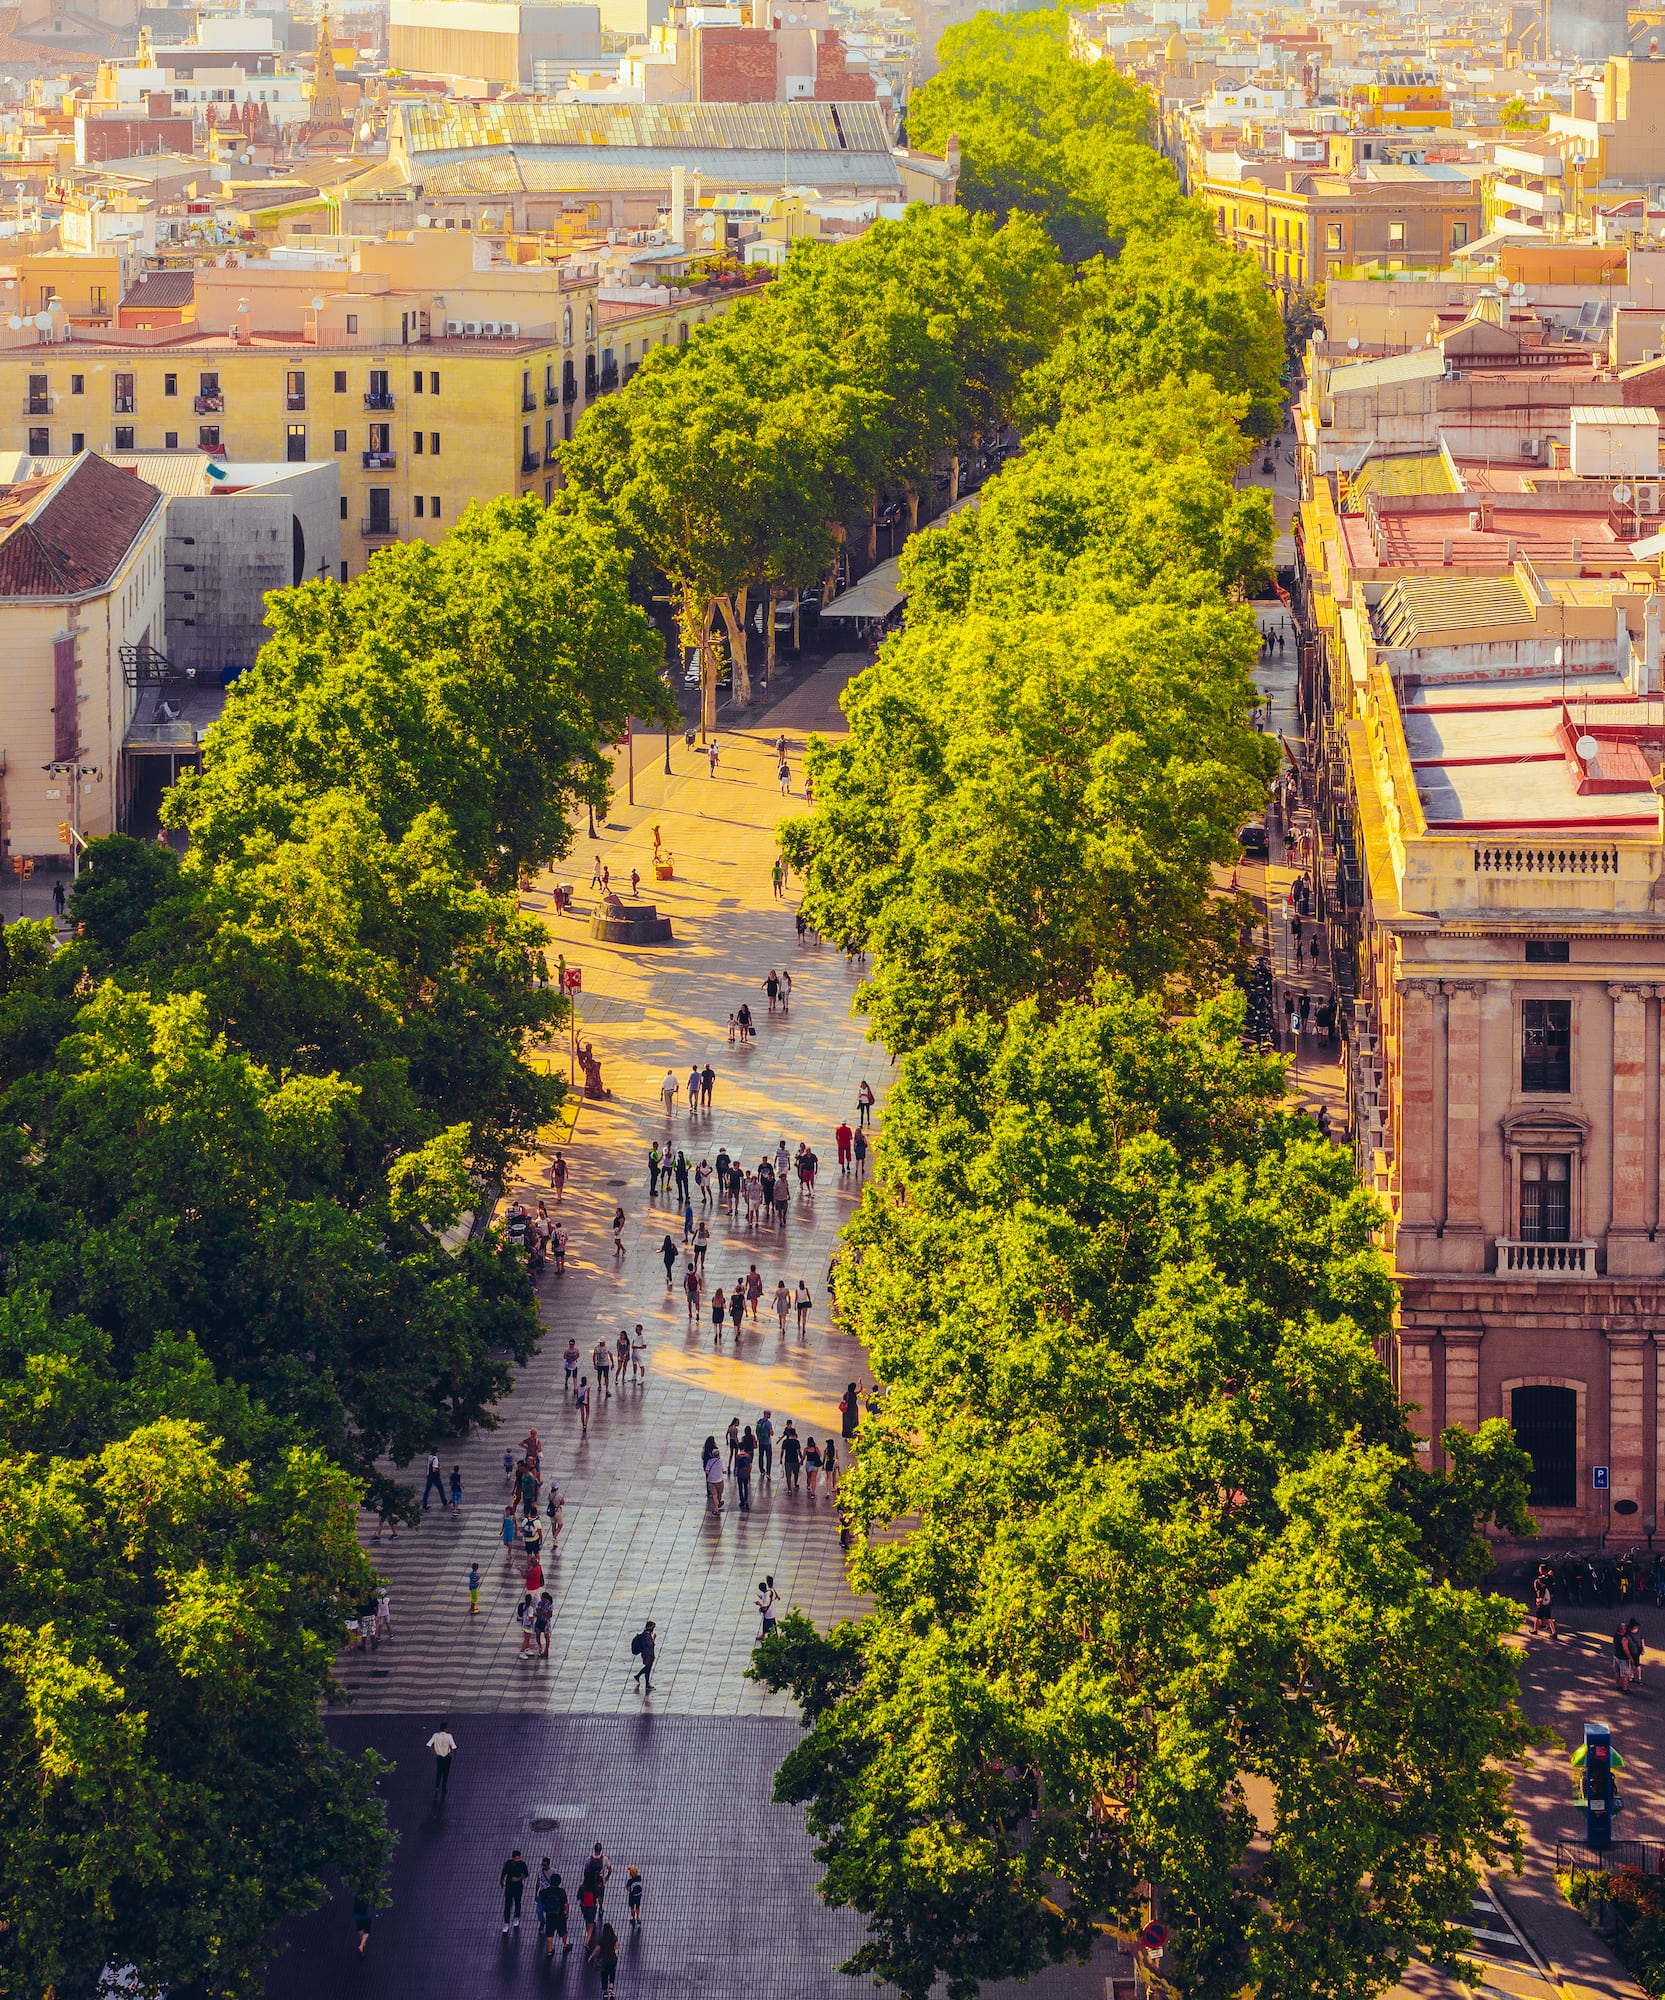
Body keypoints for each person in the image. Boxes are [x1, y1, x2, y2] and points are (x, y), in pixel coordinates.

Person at [541, 1871, 570, 1958]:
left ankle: (550, 1950)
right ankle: (565, 1945)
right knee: (563, 1931)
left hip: (549, 1916)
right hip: (560, 1915)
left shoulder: (546, 1891)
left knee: (549, 1933)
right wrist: (566, 1913)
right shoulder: (561, 1891)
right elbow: (566, 1904)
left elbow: (543, 1902)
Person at [501, 1849, 530, 1933]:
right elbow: (504, 1872)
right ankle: (506, 1923)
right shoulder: (508, 1864)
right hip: (509, 1887)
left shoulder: (522, 1864)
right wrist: (502, 1881)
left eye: (519, 1858)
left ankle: (516, 1917)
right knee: (507, 1905)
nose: (518, 1859)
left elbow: (526, 1874)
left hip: (518, 1887)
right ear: (513, 1858)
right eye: (516, 1858)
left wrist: (518, 1879)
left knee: (518, 1902)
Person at [428, 1719, 457, 1800]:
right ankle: (443, 1788)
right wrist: (453, 1754)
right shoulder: (449, 1736)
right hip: (447, 1757)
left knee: (439, 1772)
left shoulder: (435, 1735)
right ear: (445, 1728)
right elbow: (454, 1747)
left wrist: (435, 1753)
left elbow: (429, 1745)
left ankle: (437, 1787)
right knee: (446, 1773)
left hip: (439, 1757)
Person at [595, 1920, 620, 1997]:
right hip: (612, 1959)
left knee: (604, 1975)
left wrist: (591, 1956)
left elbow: (597, 1948)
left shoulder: (602, 1939)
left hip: (604, 1960)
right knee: (612, 1974)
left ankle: (605, 1991)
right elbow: (617, 1946)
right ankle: (611, 1990)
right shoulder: (614, 1937)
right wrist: (616, 1954)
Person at [1531, 1562, 1556, 1637]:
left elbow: (1539, 1590)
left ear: (1542, 1570)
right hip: (1548, 1600)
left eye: (1540, 1569)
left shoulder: (1540, 1579)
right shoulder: (1550, 1578)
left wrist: (1539, 1599)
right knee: (1548, 1617)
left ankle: (1535, 1630)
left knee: (1538, 1616)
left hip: (1542, 1600)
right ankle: (1554, 1632)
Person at [631, 1619, 657, 1691]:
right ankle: (646, 1684)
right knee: (647, 1669)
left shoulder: (646, 1635)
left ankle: (638, 1677)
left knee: (647, 1669)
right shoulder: (646, 1636)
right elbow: (647, 1647)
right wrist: (648, 1657)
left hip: (648, 1655)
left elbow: (650, 1645)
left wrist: (653, 1639)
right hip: (648, 1656)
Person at [704, 1441, 725, 1514]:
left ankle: (716, 1509)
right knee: (719, 1494)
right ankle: (718, 1504)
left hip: (712, 1481)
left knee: (714, 1495)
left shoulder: (710, 1461)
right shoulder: (720, 1461)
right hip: (719, 1480)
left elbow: (706, 1471)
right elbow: (724, 1470)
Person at [781, 1420, 802, 1492]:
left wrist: (781, 1459)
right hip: (795, 1460)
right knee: (796, 1473)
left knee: (788, 1475)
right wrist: (801, 1459)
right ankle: (795, 1484)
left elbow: (782, 1451)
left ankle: (789, 1488)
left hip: (787, 1460)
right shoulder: (796, 1442)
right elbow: (799, 1451)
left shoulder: (785, 1442)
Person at [757, 1575, 779, 1641]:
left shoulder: (767, 1594)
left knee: (769, 1625)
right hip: (772, 1610)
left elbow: (765, 1606)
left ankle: (771, 1637)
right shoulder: (771, 1590)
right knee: (769, 1624)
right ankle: (766, 1635)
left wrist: (759, 1604)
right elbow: (775, 1597)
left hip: (769, 1612)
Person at [756, 1409, 774, 1482]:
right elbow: (772, 1433)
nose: (770, 1415)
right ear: (766, 1414)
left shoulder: (759, 1421)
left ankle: (762, 1470)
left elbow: (757, 1431)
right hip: (767, 1443)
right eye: (769, 1414)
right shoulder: (768, 1423)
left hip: (761, 1442)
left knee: (761, 1456)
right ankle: (768, 1472)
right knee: (769, 1457)